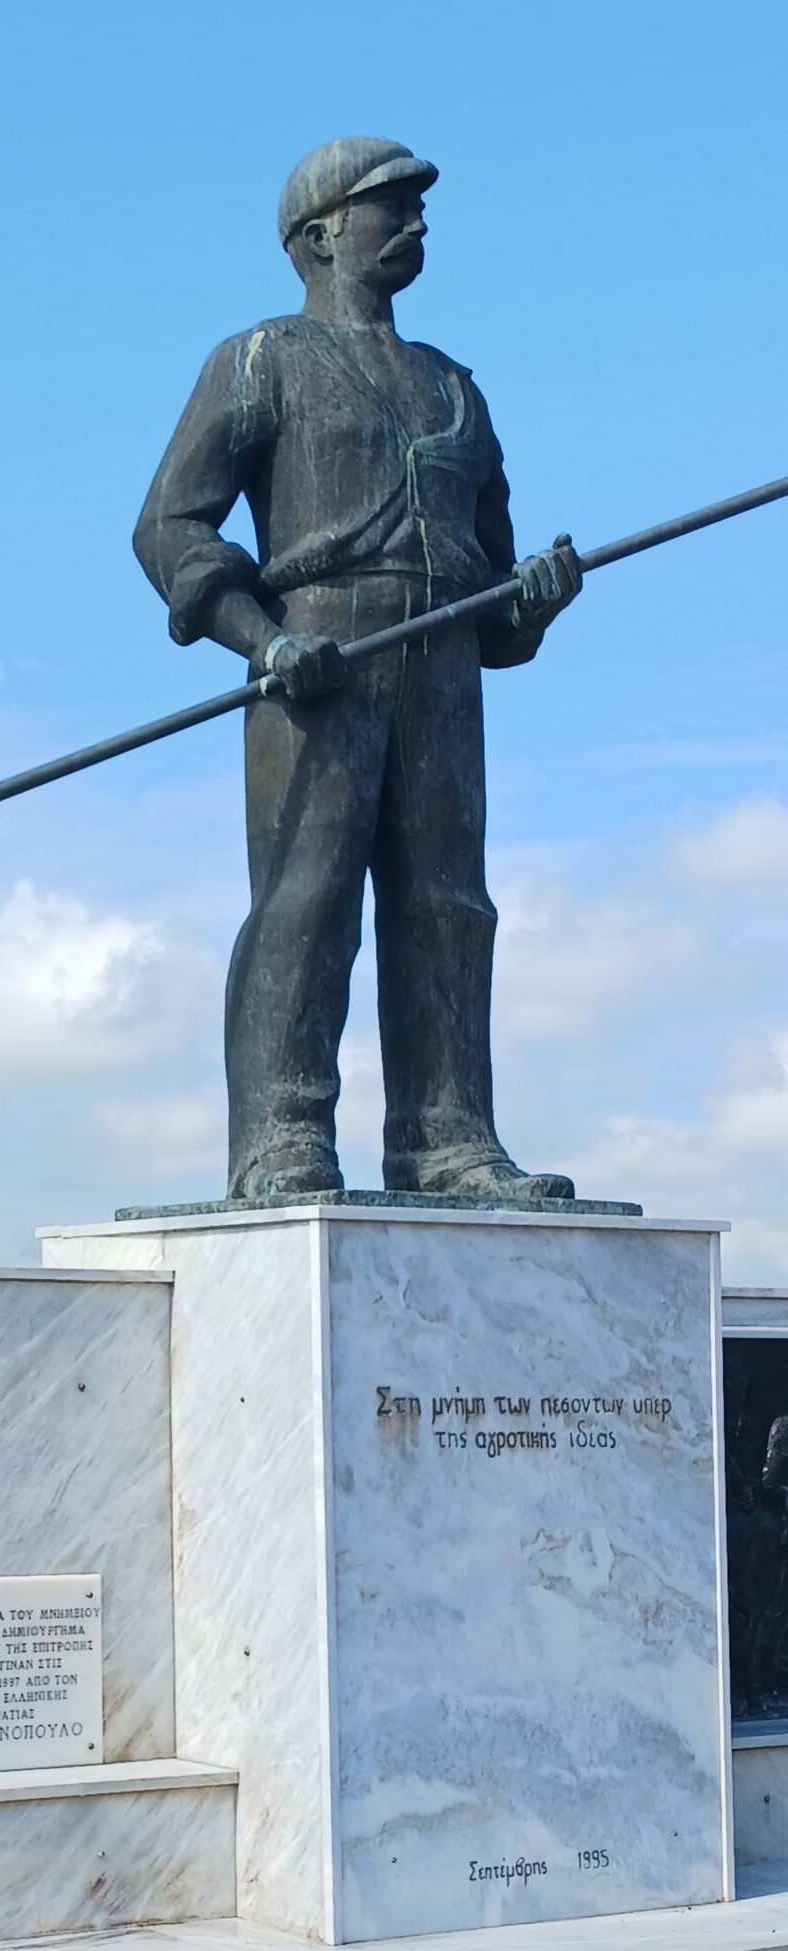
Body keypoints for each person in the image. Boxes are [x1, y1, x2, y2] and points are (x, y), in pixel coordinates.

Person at [135, 136, 582, 1202]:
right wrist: (264, 640)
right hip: (318, 659)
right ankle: (282, 1136)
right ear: (320, 234)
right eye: (393, 208)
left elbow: (498, 607)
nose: (418, 225)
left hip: (445, 668)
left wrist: (534, 601)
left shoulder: (455, 390)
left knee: (448, 903)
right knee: (308, 896)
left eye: (421, 209)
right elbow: (169, 527)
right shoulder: (260, 360)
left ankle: (448, 1137)